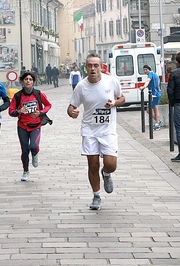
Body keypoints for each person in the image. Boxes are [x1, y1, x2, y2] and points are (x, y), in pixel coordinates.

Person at [67, 53, 125, 210]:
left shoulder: (111, 81)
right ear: (86, 67)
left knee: (110, 164)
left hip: (108, 130)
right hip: (89, 130)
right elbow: (72, 106)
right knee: (92, 164)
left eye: (96, 65)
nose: (93, 68)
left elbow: (122, 98)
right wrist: (72, 112)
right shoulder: (81, 86)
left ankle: (106, 173)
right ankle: (96, 195)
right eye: (90, 65)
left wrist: (114, 103)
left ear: (101, 66)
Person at [8, 71, 52, 181]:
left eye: (30, 79)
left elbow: (48, 105)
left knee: (33, 146)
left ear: (33, 82)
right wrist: (19, 111)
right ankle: (25, 171)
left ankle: (35, 154)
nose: (28, 81)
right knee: (24, 150)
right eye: (26, 79)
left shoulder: (38, 94)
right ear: (22, 81)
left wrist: (40, 112)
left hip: (36, 125)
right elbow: (11, 111)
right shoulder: (18, 96)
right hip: (22, 126)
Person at [140, 65, 163, 130]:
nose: (145, 71)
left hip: (154, 94)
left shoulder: (150, 74)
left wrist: (144, 87)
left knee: (150, 110)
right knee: (155, 108)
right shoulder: (155, 74)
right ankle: (158, 122)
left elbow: (148, 80)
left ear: (149, 69)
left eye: (146, 69)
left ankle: (157, 123)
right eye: (144, 70)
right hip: (156, 93)